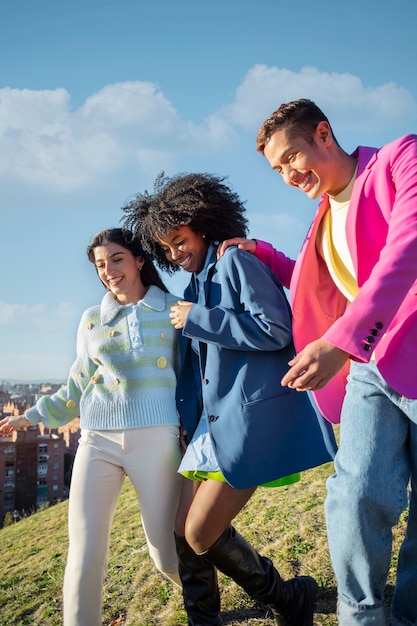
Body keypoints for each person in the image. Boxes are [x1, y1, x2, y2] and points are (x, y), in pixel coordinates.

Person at [219, 98, 417, 625]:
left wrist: (341, 340)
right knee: (352, 496)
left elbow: (408, 246)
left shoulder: (401, 158)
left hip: (402, 351)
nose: (288, 175)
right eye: (277, 170)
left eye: (291, 159)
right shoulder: (323, 217)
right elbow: (318, 281)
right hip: (369, 367)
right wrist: (262, 252)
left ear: (323, 133)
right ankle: (362, 618)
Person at [121, 172, 337, 626]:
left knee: (199, 534)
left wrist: (199, 318)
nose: (175, 254)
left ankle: (290, 594)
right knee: (182, 530)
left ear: (203, 224)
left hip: (246, 423)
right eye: (166, 249)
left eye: (179, 240)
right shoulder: (196, 283)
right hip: (207, 428)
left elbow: (276, 329)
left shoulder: (235, 263)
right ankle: (261, 605)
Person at [0, 228, 183, 626]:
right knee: (84, 551)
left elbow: (194, 378)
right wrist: (27, 417)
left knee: (164, 552)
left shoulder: (173, 310)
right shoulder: (91, 320)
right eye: (101, 265)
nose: (109, 271)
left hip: (158, 439)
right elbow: (76, 386)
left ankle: (204, 598)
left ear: (139, 260)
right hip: (97, 441)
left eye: (116, 259)